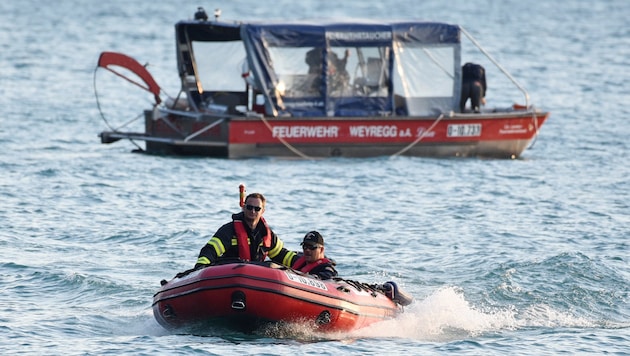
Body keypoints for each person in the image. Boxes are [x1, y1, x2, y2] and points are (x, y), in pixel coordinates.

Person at [194, 193, 297, 269]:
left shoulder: (266, 234)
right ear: (244, 208)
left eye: (257, 209)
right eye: (249, 207)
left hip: (257, 278)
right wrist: (200, 268)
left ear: (263, 211)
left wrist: (302, 262)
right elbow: (210, 250)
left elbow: (282, 255)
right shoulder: (229, 231)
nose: (252, 211)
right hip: (230, 274)